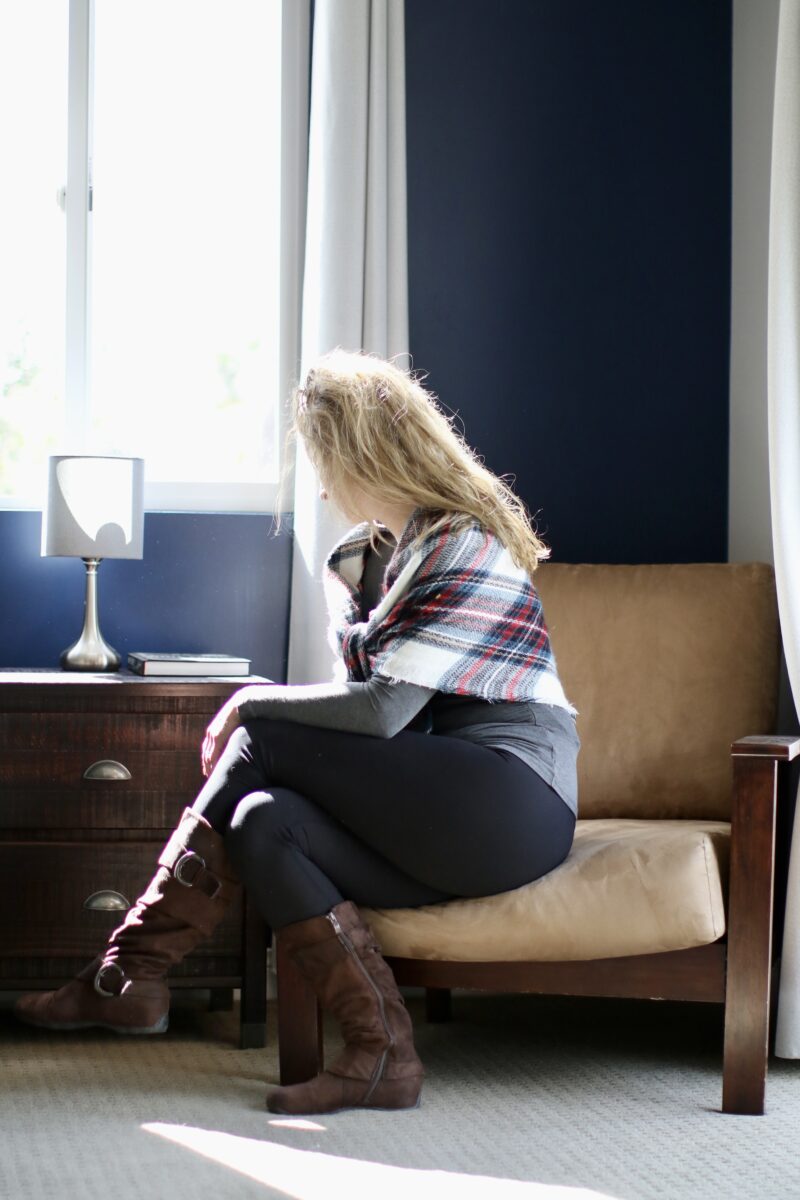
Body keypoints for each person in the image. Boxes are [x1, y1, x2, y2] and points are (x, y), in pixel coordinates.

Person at [15, 350, 580, 1117]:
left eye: (323, 463)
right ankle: (381, 1052)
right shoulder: (356, 561)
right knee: (262, 822)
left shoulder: (462, 545)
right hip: (427, 816)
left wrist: (254, 703)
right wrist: (265, 712)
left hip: (512, 802)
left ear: (361, 454)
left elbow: (381, 714)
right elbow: (359, 727)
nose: (319, 487)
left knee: (264, 736)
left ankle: (125, 975)